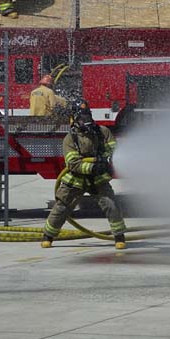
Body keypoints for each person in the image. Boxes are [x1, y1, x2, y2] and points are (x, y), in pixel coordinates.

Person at [42, 100, 127, 249]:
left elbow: (114, 150)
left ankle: (119, 237)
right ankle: (48, 236)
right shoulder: (70, 138)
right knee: (61, 208)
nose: (86, 121)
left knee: (111, 205)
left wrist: (106, 158)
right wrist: (94, 167)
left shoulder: (102, 132)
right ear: (74, 119)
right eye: (82, 118)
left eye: (88, 117)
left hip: (98, 179)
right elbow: (73, 163)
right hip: (75, 179)